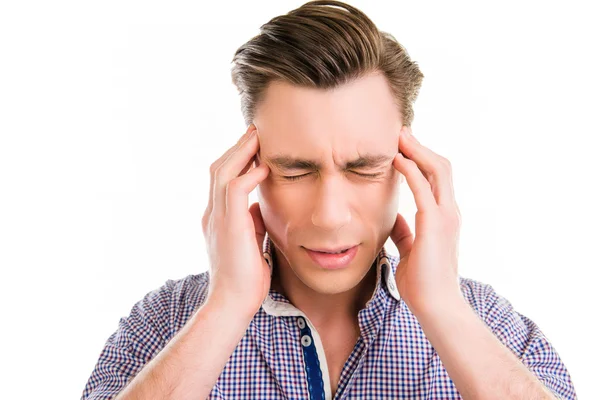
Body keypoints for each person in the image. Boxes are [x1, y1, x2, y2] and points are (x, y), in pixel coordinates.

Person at [80, 1, 577, 399]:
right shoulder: (165, 324)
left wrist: (444, 307)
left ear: (412, 166)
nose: (330, 214)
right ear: (242, 170)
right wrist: (227, 305)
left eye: (364, 169)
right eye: (295, 170)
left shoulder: (487, 326)